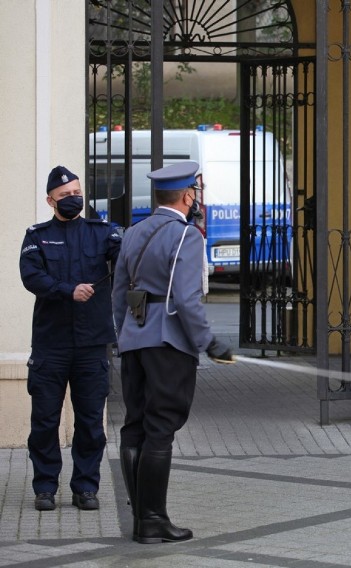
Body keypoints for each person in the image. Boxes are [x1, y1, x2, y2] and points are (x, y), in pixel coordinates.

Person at [112, 162, 235, 543]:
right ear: (187, 195)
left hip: (134, 341)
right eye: (195, 192)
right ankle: (152, 519)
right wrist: (208, 342)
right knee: (161, 429)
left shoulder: (133, 232)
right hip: (169, 345)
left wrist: (124, 336)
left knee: (135, 426)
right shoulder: (187, 236)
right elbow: (185, 299)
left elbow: (118, 294)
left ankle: (141, 520)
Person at [19, 165, 122, 512]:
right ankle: (45, 487)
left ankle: (86, 488)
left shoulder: (102, 233)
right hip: (52, 344)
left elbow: (125, 263)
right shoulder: (36, 235)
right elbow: (31, 277)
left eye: (76, 192)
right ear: (51, 200)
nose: (72, 198)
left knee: (91, 421)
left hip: (92, 344)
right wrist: (66, 291)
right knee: (45, 420)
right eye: (64, 196)